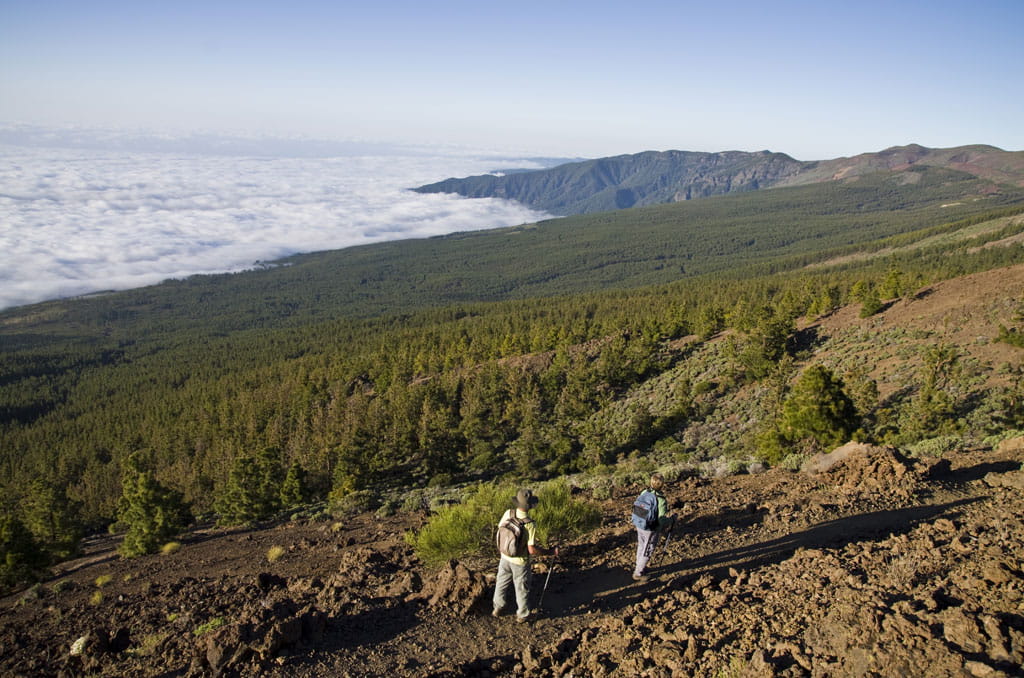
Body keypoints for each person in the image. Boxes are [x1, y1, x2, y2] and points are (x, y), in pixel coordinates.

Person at [492, 488, 558, 623]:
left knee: (501, 583)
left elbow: (501, 530)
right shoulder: (530, 524)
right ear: (529, 506)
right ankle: (523, 615)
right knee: (522, 588)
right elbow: (531, 549)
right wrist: (549, 552)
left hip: (504, 557)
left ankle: (498, 608)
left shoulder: (508, 513)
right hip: (520, 562)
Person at [632, 472, 673, 582]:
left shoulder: (645, 492)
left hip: (640, 523)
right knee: (648, 548)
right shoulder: (660, 499)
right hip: (651, 528)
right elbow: (661, 519)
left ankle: (639, 566)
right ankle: (638, 573)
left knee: (641, 546)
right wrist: (671, 520)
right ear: (662, 484)